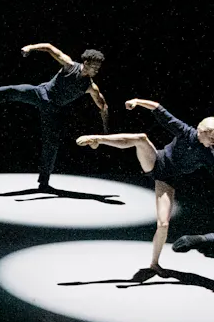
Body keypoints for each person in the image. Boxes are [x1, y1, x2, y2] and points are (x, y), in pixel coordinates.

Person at [77, 99, 214, 277]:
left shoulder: (209, 154)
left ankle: (154, 264)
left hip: (167, 179)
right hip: (156, 161)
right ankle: (97, 139)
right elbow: (159, 109)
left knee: (163, 224)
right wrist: (137, 102)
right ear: (201, 131)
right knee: (141, 138)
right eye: (212, 138)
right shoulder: (184, 131)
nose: (213, 142)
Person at [0, 43, 108, 189]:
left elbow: (103, 106)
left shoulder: (90, 87)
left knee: (51, 143)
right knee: (12, 90)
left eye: (99, 68)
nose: (96, 70)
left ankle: (44, 180)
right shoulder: (70, 65)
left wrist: (106, 130)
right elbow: (49, 47)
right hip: (41, 93)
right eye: (94, 66)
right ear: (86, 62)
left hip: (53, 109)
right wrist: (30, 48)